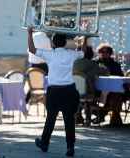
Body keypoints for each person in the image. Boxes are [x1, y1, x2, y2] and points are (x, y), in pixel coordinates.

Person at [27, 27, 86, 157]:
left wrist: (29, 33)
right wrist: (85, 37)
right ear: (65, 43)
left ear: (52, 43)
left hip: (54, 91)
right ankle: (70, 147)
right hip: (69, 90)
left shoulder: (49, 53)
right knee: (69, 120)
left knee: (51, 118)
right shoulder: (71, 54)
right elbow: (83, 52)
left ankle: (44, 143)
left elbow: (32, 49)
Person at [93, 43, 124, 125]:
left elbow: (120, 76)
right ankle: (100, 115)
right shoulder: (94, 63)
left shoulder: (115, 64)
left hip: (112, 90)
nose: (103, 54)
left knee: (117, 95)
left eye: (106, 52)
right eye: (102, 52)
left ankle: (114, 117)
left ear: (110, 54)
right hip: (97, 90)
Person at [73, 46, 100, 124]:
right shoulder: (92, 63)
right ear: (91, 54)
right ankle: (88, 119)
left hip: (73, 92)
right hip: (86, 93)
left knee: (80, 96)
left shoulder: (73, 63)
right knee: (94, 93)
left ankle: (78, 116)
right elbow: (103, 72)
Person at [25, 31, 51, 104]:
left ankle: (26, 100)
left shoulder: (33, 36)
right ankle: (47, 101)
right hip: (44, 66)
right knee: (48, 85)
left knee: (33, 85)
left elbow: (29, 51)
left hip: (32, 66)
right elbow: (49, 53)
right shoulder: (47, 39)